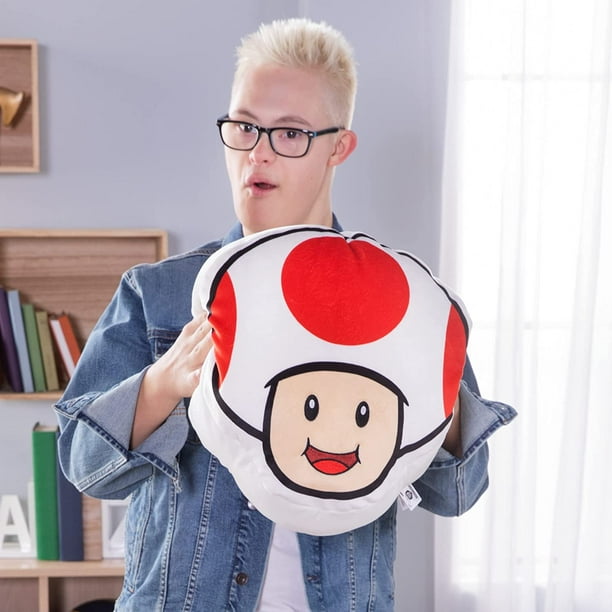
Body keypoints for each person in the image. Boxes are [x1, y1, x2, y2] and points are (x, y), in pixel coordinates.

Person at [55, 18, 516, 611]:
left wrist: (427, 383)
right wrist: (163, 384)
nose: (258, 153)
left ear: (338, 146)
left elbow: (457, 492)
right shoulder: (159, 294)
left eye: (290, 133)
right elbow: (83, 465)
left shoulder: (403, 304)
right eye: (244, 127)